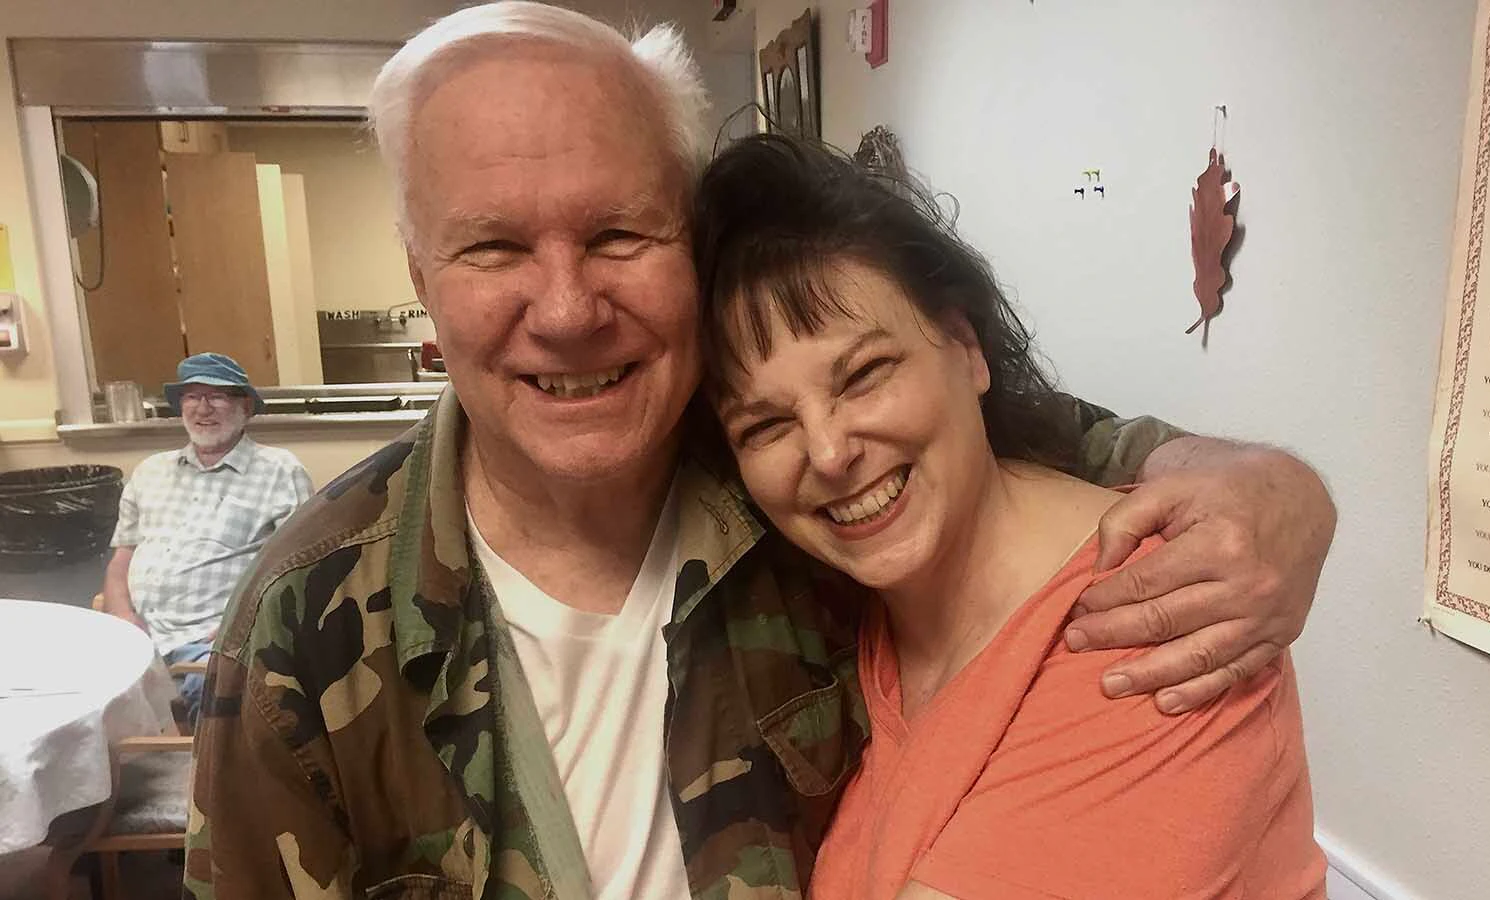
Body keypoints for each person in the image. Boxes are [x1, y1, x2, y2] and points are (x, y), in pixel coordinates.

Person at [184, 4, 1335, 898]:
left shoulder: (784, 491)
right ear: (419, 279)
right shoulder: (308, 624)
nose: (570, 307)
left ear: (685, 240)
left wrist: (1263, 490)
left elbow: (1019, 438)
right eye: (491, 248)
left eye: (617, 233)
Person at [696, 133, 1327, 899]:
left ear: (967, 348)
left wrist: (1283, 482)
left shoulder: (1157, 621)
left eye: (865, 374)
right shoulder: (855, 632)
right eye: (765, 426)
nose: (828, 452)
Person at [101, 352, 312, 718]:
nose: (203, 408)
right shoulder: (150, 471)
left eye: (217, 396)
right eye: (192, 396)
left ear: (245, 407)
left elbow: (302, 565)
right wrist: (121, 614)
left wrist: (243, 625)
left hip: (216, 640)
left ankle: (211, 772)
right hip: (137, 636)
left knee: (220, 696)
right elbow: (122, 558)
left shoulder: (279, 470)